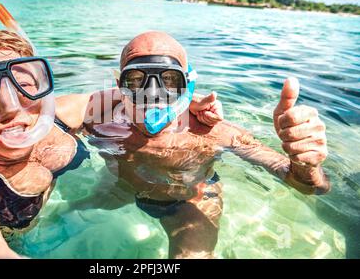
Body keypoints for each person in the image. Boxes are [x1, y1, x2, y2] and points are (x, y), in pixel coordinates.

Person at [0, 29, 221, 258]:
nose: (11, 108)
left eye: (26, 86)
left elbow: (125, 93)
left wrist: (181, 100)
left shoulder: (57, 115)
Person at [56, 31, 330, 259]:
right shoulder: (101, 117)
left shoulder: (213, 133)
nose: (153, 95)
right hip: (122, 188)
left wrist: (306, 164)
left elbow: (310, 186)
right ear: (119, 84)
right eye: (137, 80)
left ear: (187, 85)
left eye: (169, 81)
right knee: (74, 209)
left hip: (188, 202)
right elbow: (37, 114)